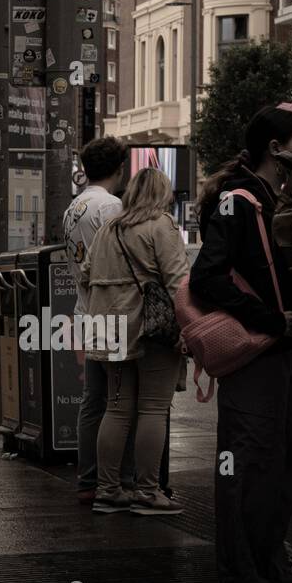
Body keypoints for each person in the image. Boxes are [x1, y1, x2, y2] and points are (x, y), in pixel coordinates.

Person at [191, 103, 292, 583]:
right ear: (277, 149)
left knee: (278, 464)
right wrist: (271, 320)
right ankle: (242, 578)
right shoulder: (241, 202)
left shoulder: (270, 201)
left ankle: (267, 565)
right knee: (250, 464)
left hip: (279, 355)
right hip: (259, 355)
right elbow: (206, 278)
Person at [80, 167, 189, 517]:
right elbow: (178, 283)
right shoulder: (162, 225)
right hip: (151, 328)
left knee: (116, 408)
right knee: (153, 409)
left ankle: (108, 490)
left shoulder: (108, 229)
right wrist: (189, 327)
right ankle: (147, 491)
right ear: (162, 194)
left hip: (110, 328)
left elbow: (85, 274)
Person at [63, 136, 135, 504]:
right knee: (120, 401)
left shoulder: (73, 207)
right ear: (119, 169)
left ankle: (88, 478)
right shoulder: (111, 207)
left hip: (85, 309)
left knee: (93, 401)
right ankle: (118, 480)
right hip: (113, 313)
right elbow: (124, 260)